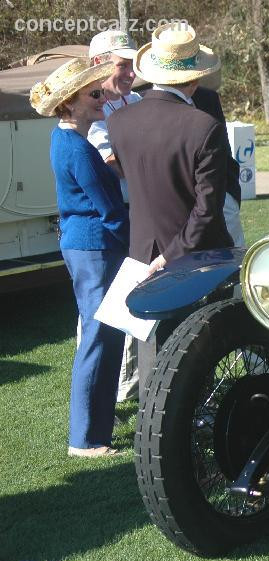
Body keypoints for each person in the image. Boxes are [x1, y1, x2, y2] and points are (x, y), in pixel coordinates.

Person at [107, 23, 233, 393]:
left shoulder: (118, 121)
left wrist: (159, 254)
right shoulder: (203, 126)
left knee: (153, 353)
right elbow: (207, 208)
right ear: (193, 81)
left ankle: (154, 426)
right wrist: (174, 253)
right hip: (197, 257)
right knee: (199, 350)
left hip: (142, 249)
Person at [30, 57, 129, 457]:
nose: (102, 96)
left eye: (100, 90)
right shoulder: (77, 148)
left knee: (104, 335)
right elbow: (108, 210)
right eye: (94, 93)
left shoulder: (69, 139)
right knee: (98, 337)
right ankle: (85, 439)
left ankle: (96, 430)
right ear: (69, 104)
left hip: (87, 246)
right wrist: (142, 246)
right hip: (95, 249)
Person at [85, 29, 141, 403]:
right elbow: (113, 163)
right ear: (97, 65)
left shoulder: (136, 100)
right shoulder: (86, 108)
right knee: (100, 312)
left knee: (136, 301)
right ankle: (101, 391)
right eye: (122, 65)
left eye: (132, 66)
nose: (130, 74)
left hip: (138, 215)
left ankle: (132, 386)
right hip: (107, 223)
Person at [193, 85, 245, 248]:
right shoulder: (144, 98)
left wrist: (230, 195)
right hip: (179, 199)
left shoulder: (207, 97)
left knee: (235, 257)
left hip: (221, 193)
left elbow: (222, 148)